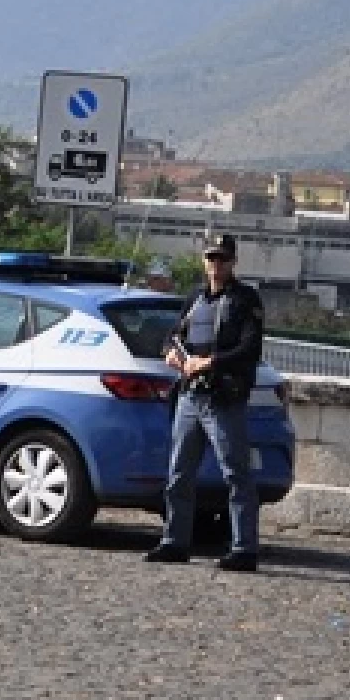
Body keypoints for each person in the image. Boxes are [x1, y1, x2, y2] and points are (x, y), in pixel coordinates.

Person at [143, 232, 266, 572]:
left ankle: (244, 549)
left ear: (233, 262)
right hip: (190, 395)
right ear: (204, 261)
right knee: (179, 472)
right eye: (212, 258)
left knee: (235, 473)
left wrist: (211, 361)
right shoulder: (196, 298)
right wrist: (170, 352)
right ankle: (174, 541)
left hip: (224, 398)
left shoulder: (245, 299)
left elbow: (250, 348)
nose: (217, 265)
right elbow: (173, 334)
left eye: (223, 259)